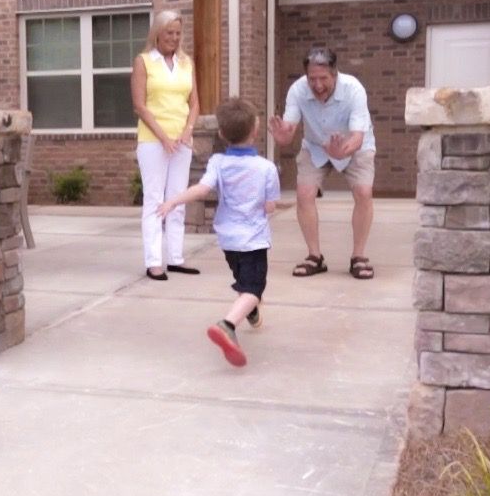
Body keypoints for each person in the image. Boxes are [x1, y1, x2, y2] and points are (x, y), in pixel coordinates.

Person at [157, 98, 280, 367]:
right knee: (254, 288)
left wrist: (173, 201)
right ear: (256, 132)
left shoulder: (217, 162)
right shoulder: (267, 168)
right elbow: (270, 206)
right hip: (254, 239)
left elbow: (202, 189)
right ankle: (228, 324)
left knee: (244, 281)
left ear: (222, 134)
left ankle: (251, 312)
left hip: (228, 239)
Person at [268, 47, 377, 280]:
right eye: (312, 79)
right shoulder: (297, 90)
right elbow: (289, 130)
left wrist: (343, 150)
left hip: (353, 144)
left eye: (323, 79)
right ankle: (314, 257)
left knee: (364, 192)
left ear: (335, 74)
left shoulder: (354, 89)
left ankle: (359, 257)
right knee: (304, 193)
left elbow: (358, 136)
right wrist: (283, 138)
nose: (317, 85)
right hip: (316, 144)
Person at [131, 10, 200, 281]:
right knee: (155, 200)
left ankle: (176, 258)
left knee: (177, 200)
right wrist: (163, 137)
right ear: (157, 33)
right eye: (168, 32)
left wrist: (187, 131)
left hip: (182, 141)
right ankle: (154, 262)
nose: (173, 37)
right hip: (153, 141)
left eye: (177, 33)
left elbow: (194, 103)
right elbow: (140, 105)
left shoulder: (186, 63)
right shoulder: (144, 62)